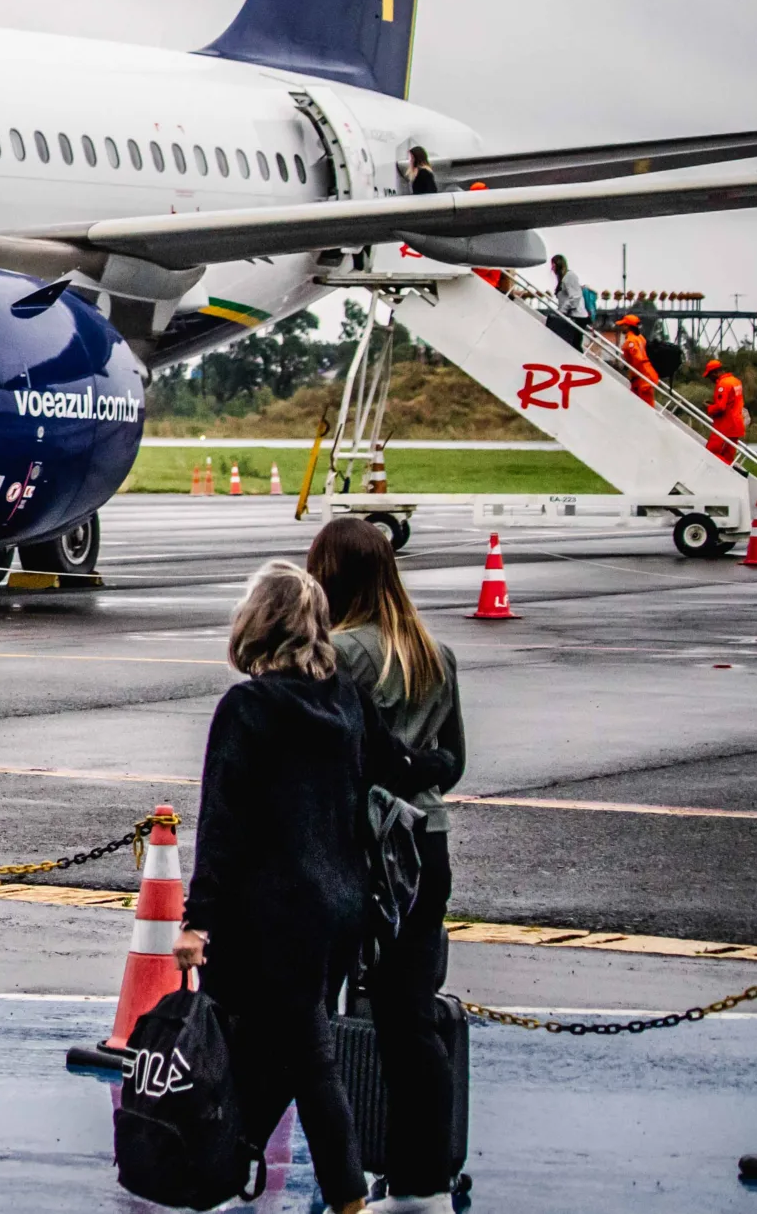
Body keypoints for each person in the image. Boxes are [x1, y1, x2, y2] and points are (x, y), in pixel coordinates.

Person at [173, 561, 378, 1214]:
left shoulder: (249, 706)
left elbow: (225, 823)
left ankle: (332, 1193)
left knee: (295, 1058)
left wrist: (197, 920)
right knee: (289, 1053)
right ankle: (231, 1171)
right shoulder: (344, 698)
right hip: (336, 910)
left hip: (266, 917)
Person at [311, 519, 468, 1212]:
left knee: (308, 1014)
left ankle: (309, 1163)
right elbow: (454, 761)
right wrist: (419, 769)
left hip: (351, 845)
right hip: (424, 842)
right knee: (411, 1022)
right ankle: (423, 1179)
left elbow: (327, 755)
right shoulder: (435, 652)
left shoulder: (338, 653)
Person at [702, 357, 747, 463]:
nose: (710, 379)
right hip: (736, 426)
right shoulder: (736, 381)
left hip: (725, 427)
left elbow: (721, 407)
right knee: (728, 457)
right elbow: (731, 403)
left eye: (709, 376)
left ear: (715, 373)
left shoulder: (722, 384)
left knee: (710, 454)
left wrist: (709, 407)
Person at [615, 313, 660, 406]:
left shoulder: (630, 341)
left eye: (623, 325)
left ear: (628, 326)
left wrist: (634, 373)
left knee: (646, 407)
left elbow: (638, 359)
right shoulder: (640, 338)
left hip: (643, 377)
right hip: (645, 374)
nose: (621, 327)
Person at [549, 254, 589, 350]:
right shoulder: (563, 278)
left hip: (577, 316)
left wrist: (562, 311)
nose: (552, 268)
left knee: (575, 344)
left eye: (553, 265)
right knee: (571, 343)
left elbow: (575, 297)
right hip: (572, 315)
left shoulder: (569, 276)